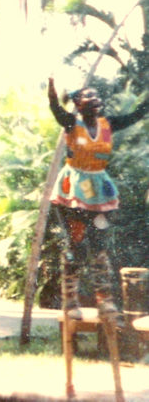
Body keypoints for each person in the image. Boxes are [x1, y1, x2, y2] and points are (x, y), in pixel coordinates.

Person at [47, 78, 149, 320]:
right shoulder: (72, 123)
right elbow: (56, 109)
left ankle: (105, 300)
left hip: (99, 190)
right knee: (77, 244)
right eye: (88, 97)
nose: (95, 101)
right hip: (74, 192)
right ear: (78, 104)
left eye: (96, 97)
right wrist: (52, 93)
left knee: (100, 244)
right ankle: (70, 300)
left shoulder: (108, 124)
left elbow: (136, 114)